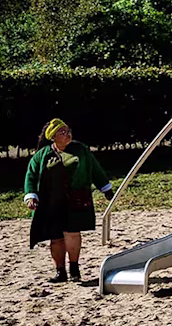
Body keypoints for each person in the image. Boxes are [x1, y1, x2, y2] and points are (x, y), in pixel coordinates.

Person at [24, 119, 113, 283]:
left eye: (68, 130)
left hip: (76, 200)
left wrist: (105, 188)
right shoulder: (42, 155)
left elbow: (95, 169)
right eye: (62, 132)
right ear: (52, 137)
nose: (67, 134)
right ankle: (60, 271)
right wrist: (31, 196)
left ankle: (74, 268)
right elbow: (31, 176)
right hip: (51, 202)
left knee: (72, 233)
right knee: (56, 237)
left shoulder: (81, 150)